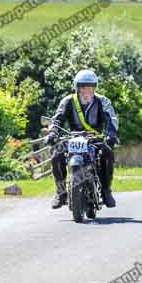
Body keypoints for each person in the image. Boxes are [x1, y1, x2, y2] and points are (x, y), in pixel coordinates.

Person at [46, 69, 119, 209]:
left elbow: (111, 119)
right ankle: (61, 194)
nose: (87, 91)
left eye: (90, 87)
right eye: (83, 87)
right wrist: (52, 133)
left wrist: (111, 135)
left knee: (108, 153)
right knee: (56, 155)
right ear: (77, 88)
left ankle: (106, 191)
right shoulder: (68, 101)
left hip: (95, 138)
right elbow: (57, 119)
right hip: (73, 138)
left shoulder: (103, 101)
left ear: (95, 88)